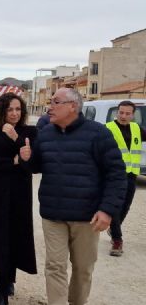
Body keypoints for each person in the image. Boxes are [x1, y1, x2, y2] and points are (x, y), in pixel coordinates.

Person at [27, 88, 126, 305]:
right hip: (53, 214)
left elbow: (117, 174)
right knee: (54, 266)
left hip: (87, 216)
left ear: (73, 106)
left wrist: (107, 209)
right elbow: (36, 167)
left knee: (83, 268)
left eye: (55, 102)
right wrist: (28, 158)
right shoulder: (44, 133)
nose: (49, 107)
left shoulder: (98, 133)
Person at [0, 93, 37, 305]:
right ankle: (1, 287)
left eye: (18, 109)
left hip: (20, 193)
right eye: (10, 109)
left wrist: (15, 138)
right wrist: (11, 162)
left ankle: (10, 278)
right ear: (1, 111)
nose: (14, 114)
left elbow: (31, 160)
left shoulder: (29, 132)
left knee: (17, 236)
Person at [105, 100, 145, 256]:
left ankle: (114, 229)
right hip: (113, 175)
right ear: (117, 112)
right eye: (121, 112)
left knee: (125, 206)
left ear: (133, 115)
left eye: (127, 113)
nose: (123, 116)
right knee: (115, 206)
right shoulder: (108, 129)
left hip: (131, 175)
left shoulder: (136, 128)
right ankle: (117, 241)